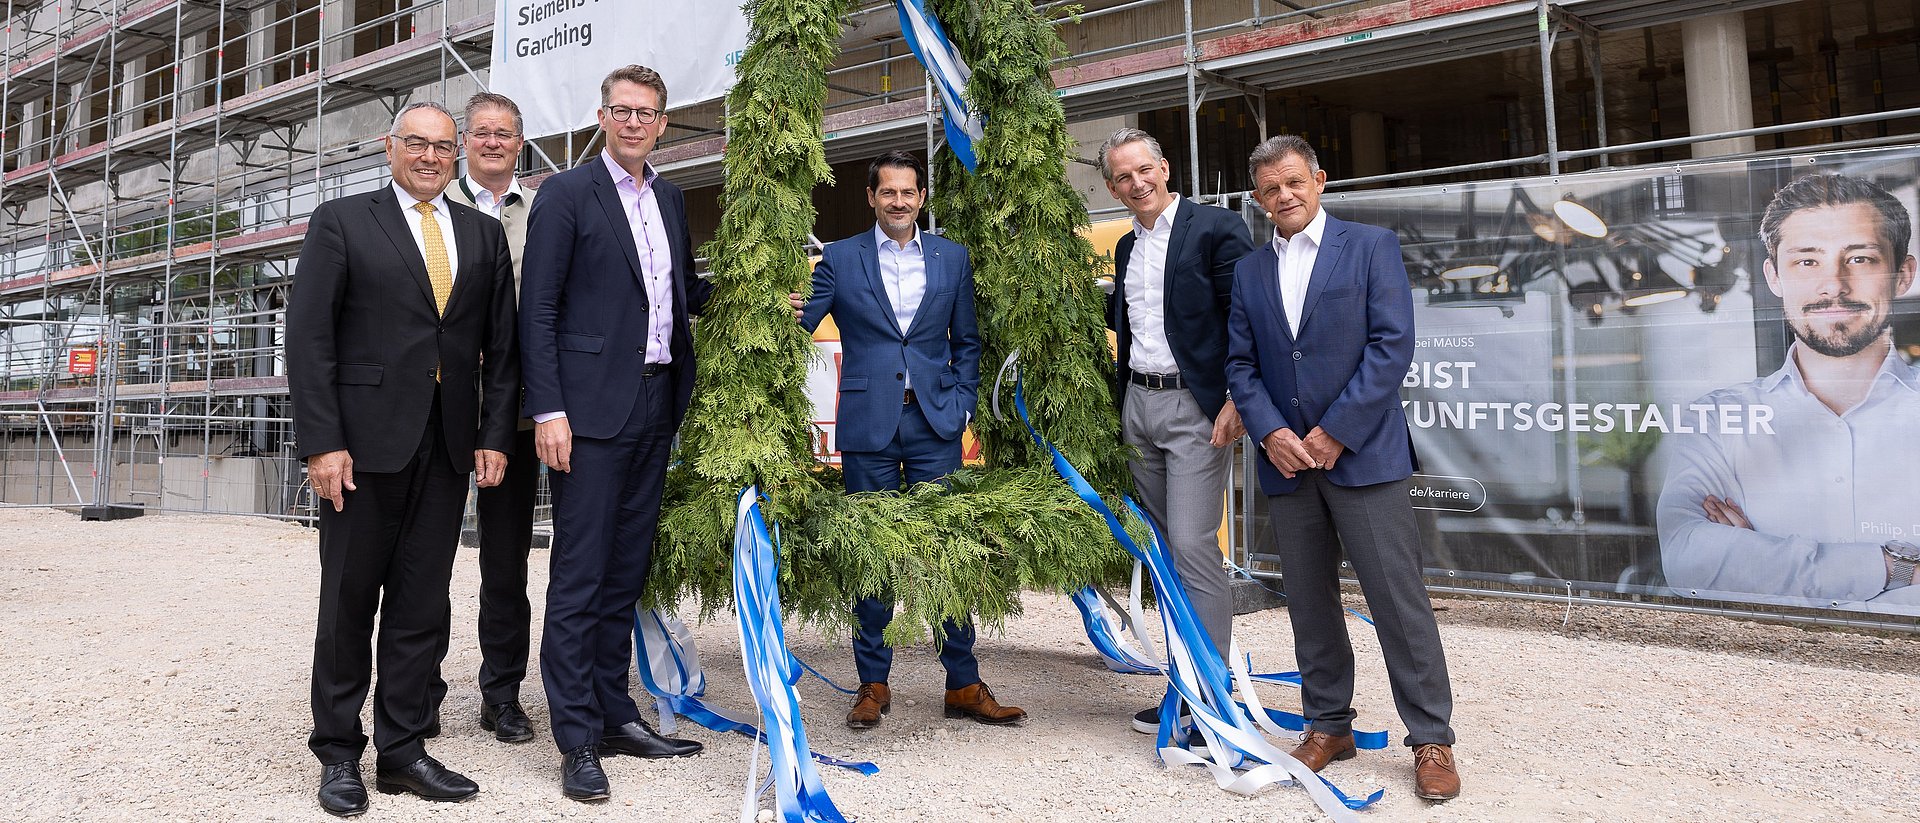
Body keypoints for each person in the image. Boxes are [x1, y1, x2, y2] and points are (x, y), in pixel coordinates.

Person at [288, 100, 519, 816]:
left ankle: (402, 748)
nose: (429, 156)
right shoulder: (343, 221)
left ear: (456, 157)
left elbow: (501, 349)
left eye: (442, 147)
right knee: (349, 601)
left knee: (423, 603)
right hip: (359, 447)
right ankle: (337, 751)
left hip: (448, 447)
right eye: (415, 143)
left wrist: (492, 434)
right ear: (390, 147)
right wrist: (322, 441)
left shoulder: (483, 236)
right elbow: (309, 339)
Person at [1224, 134, 1460, 801]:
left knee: (1397, 600)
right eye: (1270, 189)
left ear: (1320, 180)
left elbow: (1392, 346)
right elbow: (1240, 363)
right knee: (1309, 600)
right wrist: (1270, 432)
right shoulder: (1249, 271)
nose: (1284, 196)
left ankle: (1432, 737)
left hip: (1364, 455)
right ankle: (1330, 724)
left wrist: (1335, 432)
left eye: (1294, 182)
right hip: (1288, 465)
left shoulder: (1372, 247)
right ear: (1257, 198)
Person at [520, 65, 711, 802]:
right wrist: (549, 410)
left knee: (624, 575)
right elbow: (537, 310)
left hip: (656, 407)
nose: (634, 122)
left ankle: (612, 713)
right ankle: (574, 739)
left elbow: (676, 292)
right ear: (602, 116)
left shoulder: (669, 196)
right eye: (622, 110)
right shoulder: (566, 195)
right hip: (588, 415)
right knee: (578, 577)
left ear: (664, 123)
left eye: (648, 112)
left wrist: (753, 293)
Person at [788, 151, 1023, 731]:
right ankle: (873, 683)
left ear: (922, 197)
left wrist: (961, 399)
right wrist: (783, 306)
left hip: (935, 424)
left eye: (909, 192)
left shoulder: (951, 258)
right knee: (873, 555)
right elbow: (805, 319)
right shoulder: (840, 258)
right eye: (888, 192)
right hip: (869, 425)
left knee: (948, 552)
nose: (899, 201)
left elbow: (966, 339)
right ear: (871, 197)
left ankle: (963, 683)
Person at [1657, 173, 1920, 606]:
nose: (1833, 285)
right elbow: (1690, 561)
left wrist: (1758, 561)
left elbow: (1725, 567)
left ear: (1903, 274)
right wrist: (1897, 569)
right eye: (1807, 261)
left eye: (1860, 259)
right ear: (1775, 277)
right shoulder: (1720, 419)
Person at [1094, 128, 1253, 736]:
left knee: (1192, 546)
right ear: (1112, 188)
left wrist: (1239, 396)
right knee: (1164, 555)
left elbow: (1246, 316)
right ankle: (1183, 686)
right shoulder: (1127, 249)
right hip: (1139, 404)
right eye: (1123, 178)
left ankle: (1212, 693)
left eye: (1144, 170)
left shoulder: (1214, 229)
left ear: (1165, 167)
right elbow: (1130, 323)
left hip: (1195, 409)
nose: (1137, 184)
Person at [429, 91, 540, 745]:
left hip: (515, 415)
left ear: (519, 143)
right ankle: (421, 690)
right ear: (464, 142)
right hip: (437, 408)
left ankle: (501, 695)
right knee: (429, 559)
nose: (493, 141)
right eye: (481, 132)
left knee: (506, 564)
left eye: (504, 132)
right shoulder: (434, 209)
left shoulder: (544, 212)